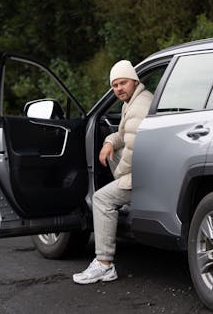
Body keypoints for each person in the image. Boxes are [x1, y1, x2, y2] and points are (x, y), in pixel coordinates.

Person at [73, 60, 153, 284]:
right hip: (146, 167)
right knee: (112, 152)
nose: (118, 89)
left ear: (134, 80)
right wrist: (108, 142)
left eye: (123, 83)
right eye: (115, 85)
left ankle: (104, 264)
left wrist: (118, 176)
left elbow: (134, 151)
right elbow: (123, 135)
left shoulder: (139, 106)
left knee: (101, 199)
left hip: (144, 174)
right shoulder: (133, 100)